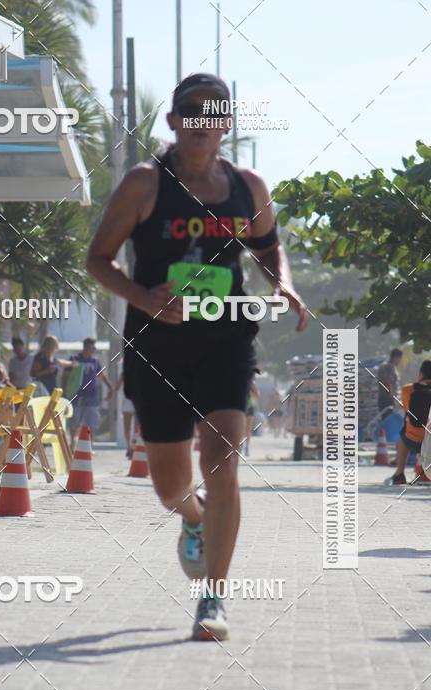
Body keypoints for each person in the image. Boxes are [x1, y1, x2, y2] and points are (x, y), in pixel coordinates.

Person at [87, 71, 308, 641]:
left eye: (215, 111)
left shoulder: (248, 186)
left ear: (226, 123)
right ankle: (193, 517)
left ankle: (212, 599)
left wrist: (281, 284)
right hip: (156, 345)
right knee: (169, 485)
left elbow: (267, 247)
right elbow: (99, 259)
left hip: (227, 341)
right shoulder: (144, 184)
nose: (203, 121)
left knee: (224, 465)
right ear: (174, 121)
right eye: (192, 110)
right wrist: (144, 298)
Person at [389, 360, 431, 485]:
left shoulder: (408, 389)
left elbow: (407, 410)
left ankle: (399, 473)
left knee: (403, 433)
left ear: (420, 374)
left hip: (414, 440)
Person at [65, 337, 113, 443]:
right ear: (85, 347)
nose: (93, 350)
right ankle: (72, 443)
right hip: (77, 395)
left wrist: (110, 388)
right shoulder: (75, 359)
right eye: (92, 347)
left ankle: (90, 445)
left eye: (94, 348)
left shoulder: (95, 361)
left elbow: (101, 375)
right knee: (74, 420)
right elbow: (66, 376)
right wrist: (65, 391)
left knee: (91, 421)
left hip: (92, 395)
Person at [378, 348, 403, 416]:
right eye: (400, 359)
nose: (400, 361)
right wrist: (393, 401)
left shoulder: (385, 366)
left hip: (384, 400)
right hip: (387, 400)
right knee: (389, 422)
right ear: (396, 357)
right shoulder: (389, 367)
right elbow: (388, 384)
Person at [243, 381, 260, 457]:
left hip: (249, 406)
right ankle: (240, 446)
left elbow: (257, 396)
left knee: (248, 429)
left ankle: (246, 447)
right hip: (240, 406)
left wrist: (251, 393)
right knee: (240, 428)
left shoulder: (252, 383)